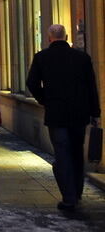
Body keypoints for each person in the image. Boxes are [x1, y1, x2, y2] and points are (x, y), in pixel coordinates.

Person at [27, 24, 101, 211]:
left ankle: (69, 197)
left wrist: (45, 99)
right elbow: (91, 86)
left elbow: (32, 83)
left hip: (56, 114)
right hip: (79, 114)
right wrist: (95, 112)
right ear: (66, 36)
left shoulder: (42, 57)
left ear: (49, 37)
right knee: (77, 152)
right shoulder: (81, 57)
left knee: (62, 154)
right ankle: (76, 191)